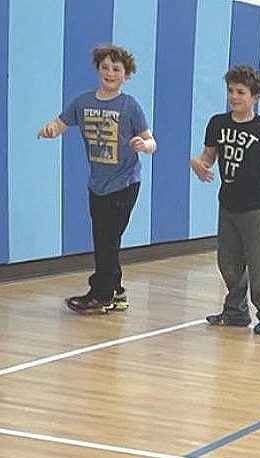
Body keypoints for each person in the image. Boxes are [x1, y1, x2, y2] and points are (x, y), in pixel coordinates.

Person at [38, 44, 156, 314]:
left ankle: (100, 294)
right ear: (97, 70)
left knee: (107, 239)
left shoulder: (129, 106)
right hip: (97, 184)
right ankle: (117, 292)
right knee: (104, 240)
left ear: (126, 74)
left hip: (125, 183)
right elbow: (60, 124)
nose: (110, 73)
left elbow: (151, 141)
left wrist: (144, 145)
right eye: (105, 67)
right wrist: (50, 130)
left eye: (116, 69)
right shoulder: (83, 103)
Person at [190, 65, 260, 335]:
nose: (234, 96)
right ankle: (236, 310)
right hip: (228, 203)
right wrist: (198, 164)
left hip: (256, 205)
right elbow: (209, 156)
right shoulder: (217, 124)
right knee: (228, 262)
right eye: (231, 91)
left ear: (255, 97)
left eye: (241, 92)